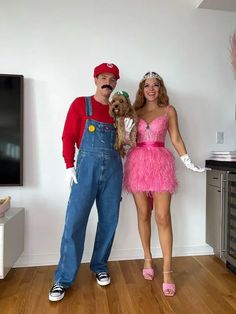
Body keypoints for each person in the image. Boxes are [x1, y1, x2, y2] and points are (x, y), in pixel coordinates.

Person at [123, 71, 204, 297]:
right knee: (143, 214)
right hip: (137, 163)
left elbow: (176, 138)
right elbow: (129, 143)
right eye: (147, 85)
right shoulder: (135, 112)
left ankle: (168, 271)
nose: (151, 89)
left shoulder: (169, 110)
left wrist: (187, 160)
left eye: (155, 85)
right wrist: (127, 129)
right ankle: (148, 259)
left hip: (160, 163)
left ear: (160, 88)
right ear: (142, 89)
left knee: (162, 216)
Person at [49, 63, 124, 302]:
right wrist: (69, 165)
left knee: (109, 220)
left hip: (113, 169)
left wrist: (128, 138)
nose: (107, 82)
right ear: (95, 79)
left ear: (116, 83)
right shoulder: (81, 104)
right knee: (75, 222)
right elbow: (68, 136)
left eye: (112, 79)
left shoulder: (119, 110)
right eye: (103, 77)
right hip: (85, 170)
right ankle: (62, 279)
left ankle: (100, 265)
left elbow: (122, 143)